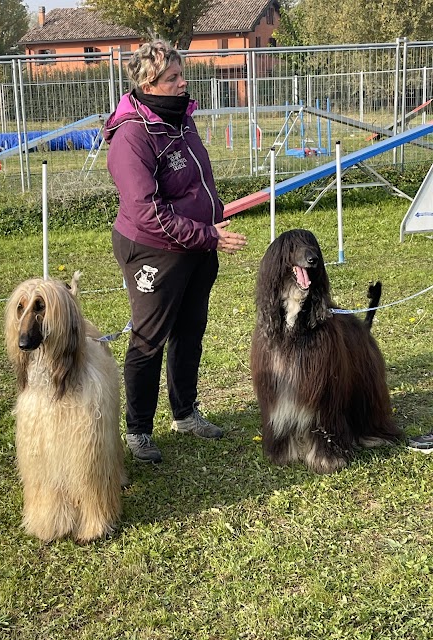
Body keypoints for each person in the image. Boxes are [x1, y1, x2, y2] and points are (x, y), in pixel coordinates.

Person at [104, 40, 247, 463]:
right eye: (173, 78)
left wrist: (211, 219)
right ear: (149, 82)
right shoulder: (132, 135)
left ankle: (185, 413)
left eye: (181, 75)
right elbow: (147, 213)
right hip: (153, 250)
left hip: (197, 244)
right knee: (149, 339)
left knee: (190, 330)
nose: (183, 83)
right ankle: (139, 432)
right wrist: (209, 236)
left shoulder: (181, 118)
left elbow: (195, 182)